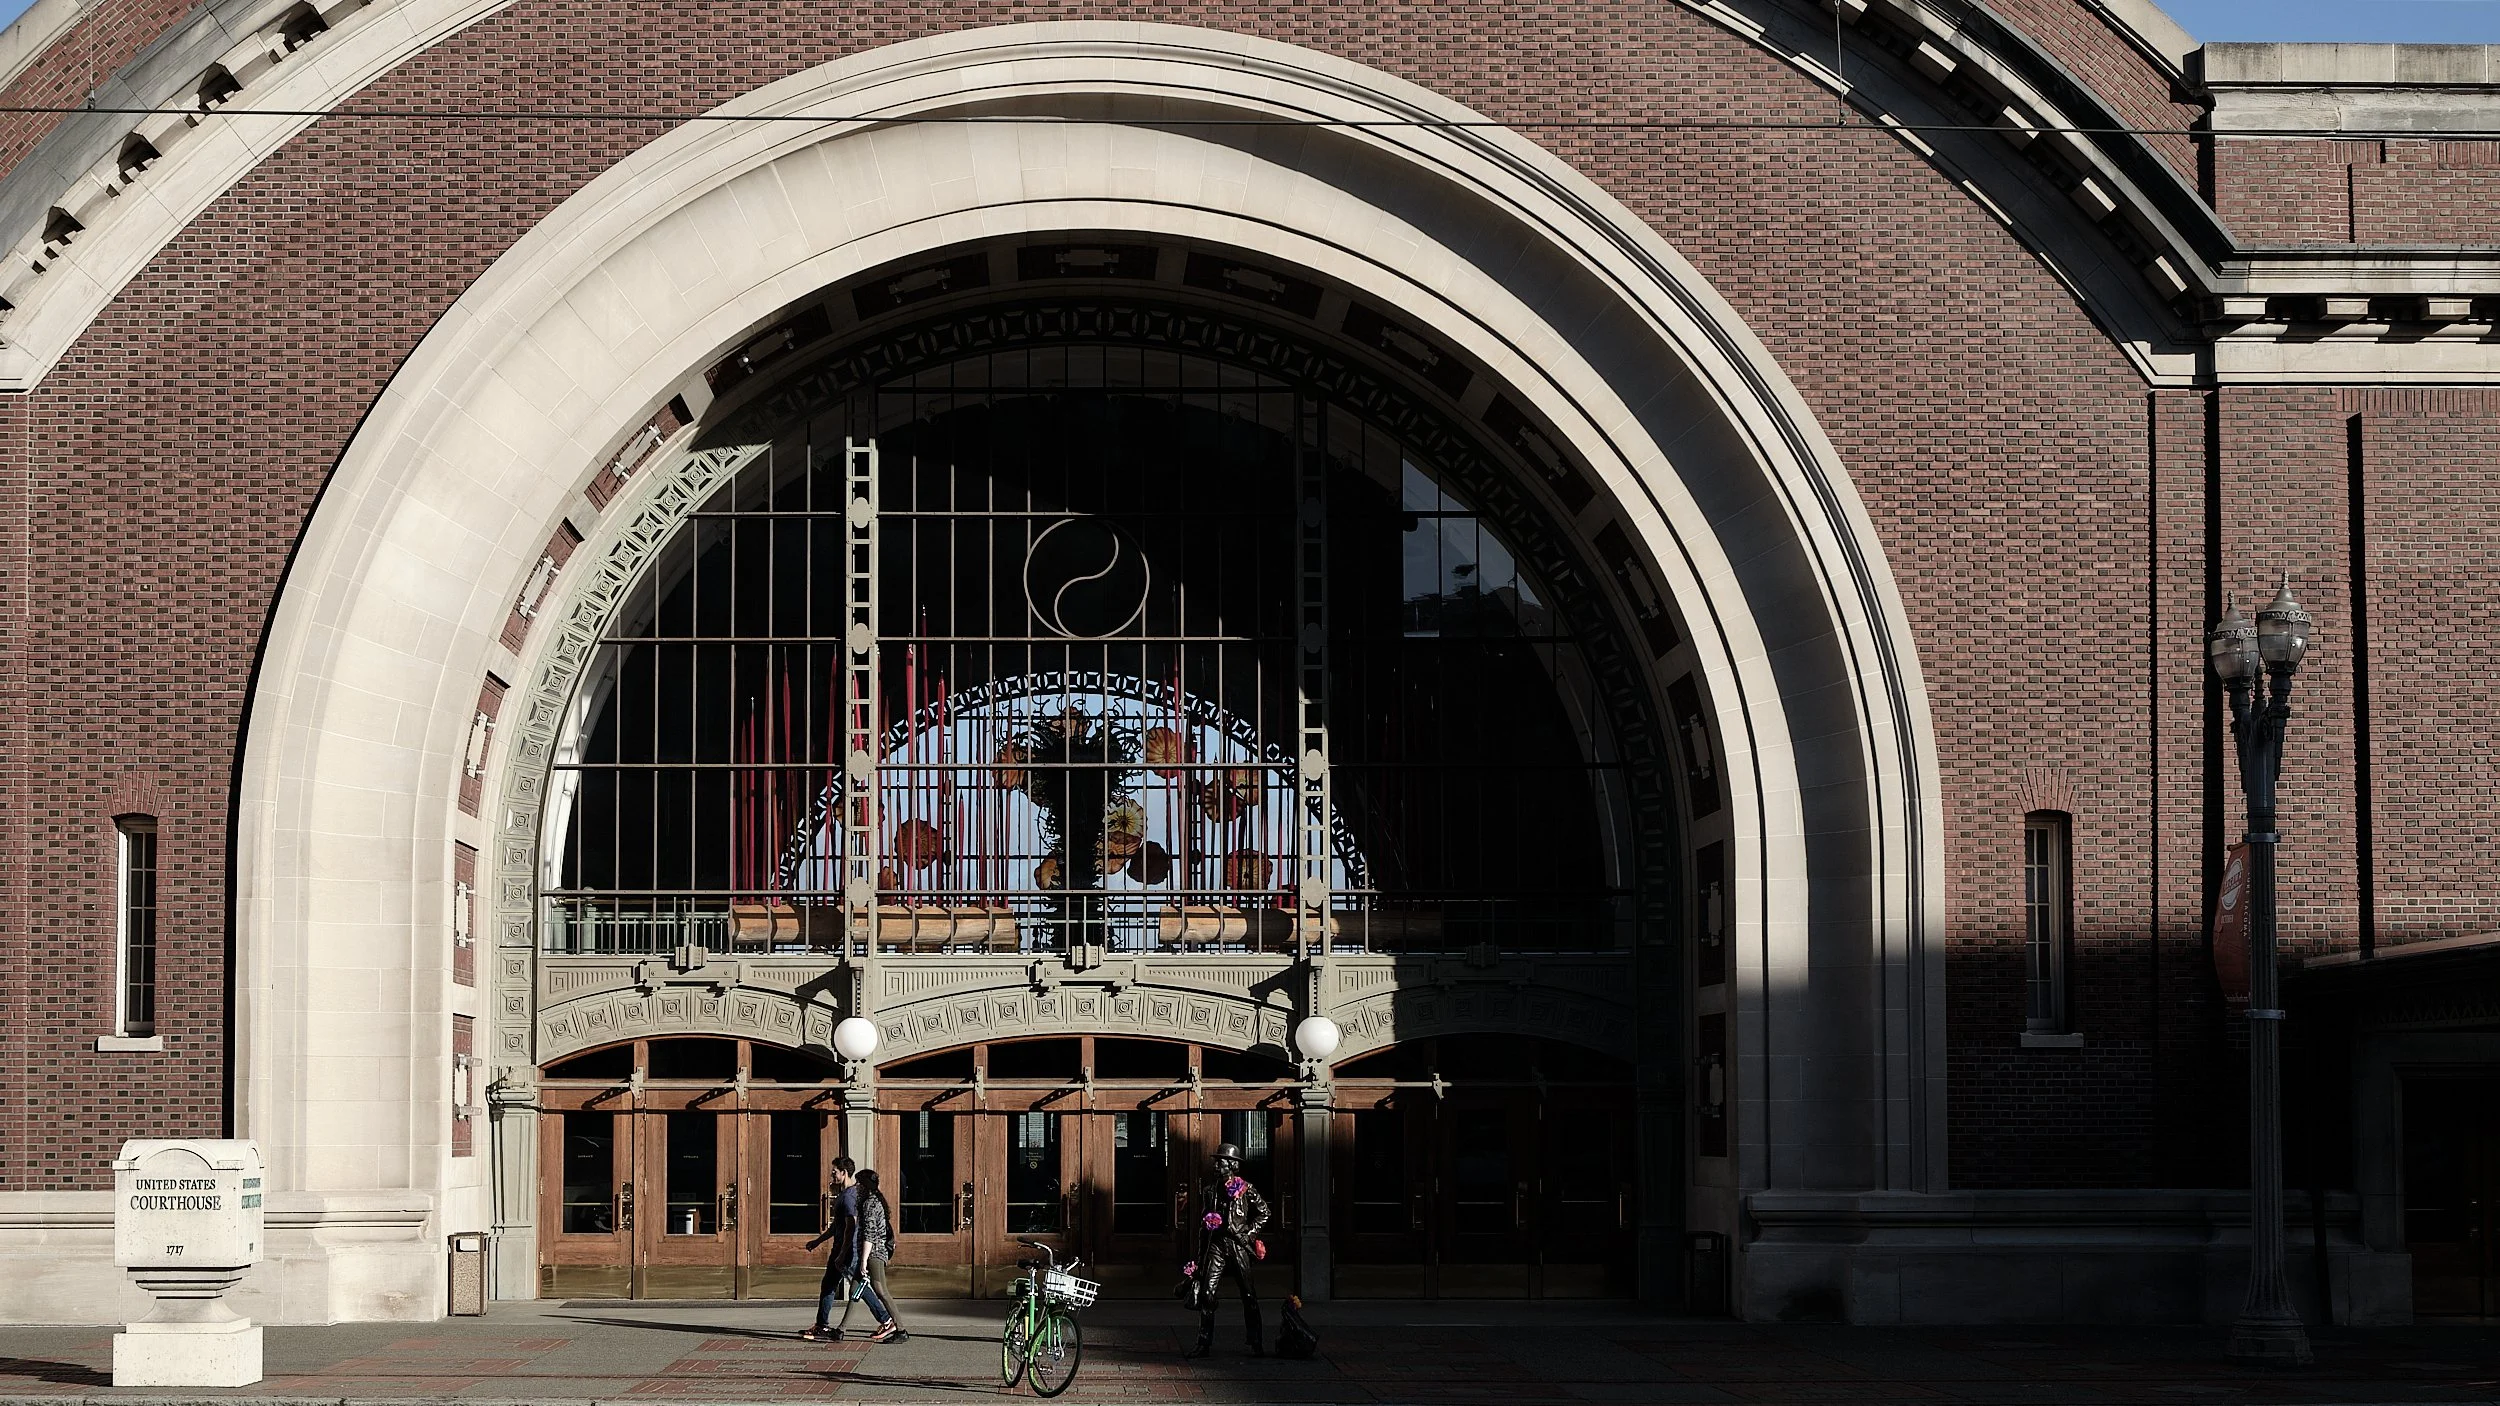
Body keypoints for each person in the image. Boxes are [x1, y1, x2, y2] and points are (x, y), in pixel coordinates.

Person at [1187, 1141, 1269, 1358]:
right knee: (1207, 1293)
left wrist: (1249, 1233)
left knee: (1248, 1294)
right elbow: (1204, 1227)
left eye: (1221, 1162)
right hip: (1216, 1245)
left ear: (1232, 1165)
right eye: (1216, 1162)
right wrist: (1200, 1258)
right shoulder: (1209, 1191)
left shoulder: (1246, 1189)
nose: (1216, 1166)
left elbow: (1264, 1212)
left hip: (1238, 1245)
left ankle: (1256, 1341)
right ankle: (1203, 1343)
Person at [800, 1156, 868, 1342]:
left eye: (834, 1172)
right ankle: (821, 1324)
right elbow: (836, 1227)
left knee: (860, 1286)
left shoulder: (848, 1197)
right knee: (829, 1285)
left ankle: (886, 1319)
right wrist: (818, 1241)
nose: (832, 1174)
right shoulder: (846, 1195)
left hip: (846, 1251)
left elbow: (850, 1228)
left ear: (843, 1173)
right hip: (840, 1250)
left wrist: (842, 1253)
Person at [852, 1168, 907, 1343]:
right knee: (861, 1289)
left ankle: (900, 1328)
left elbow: (870, 1233)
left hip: (875, 1253)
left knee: (881, 1291)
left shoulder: (870, 1203)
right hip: (877, 1251)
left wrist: (863, 1260)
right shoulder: (876, 1201)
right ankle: (841, 1328)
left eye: (858, 1183)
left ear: (864, 1185)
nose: (856, 1186)